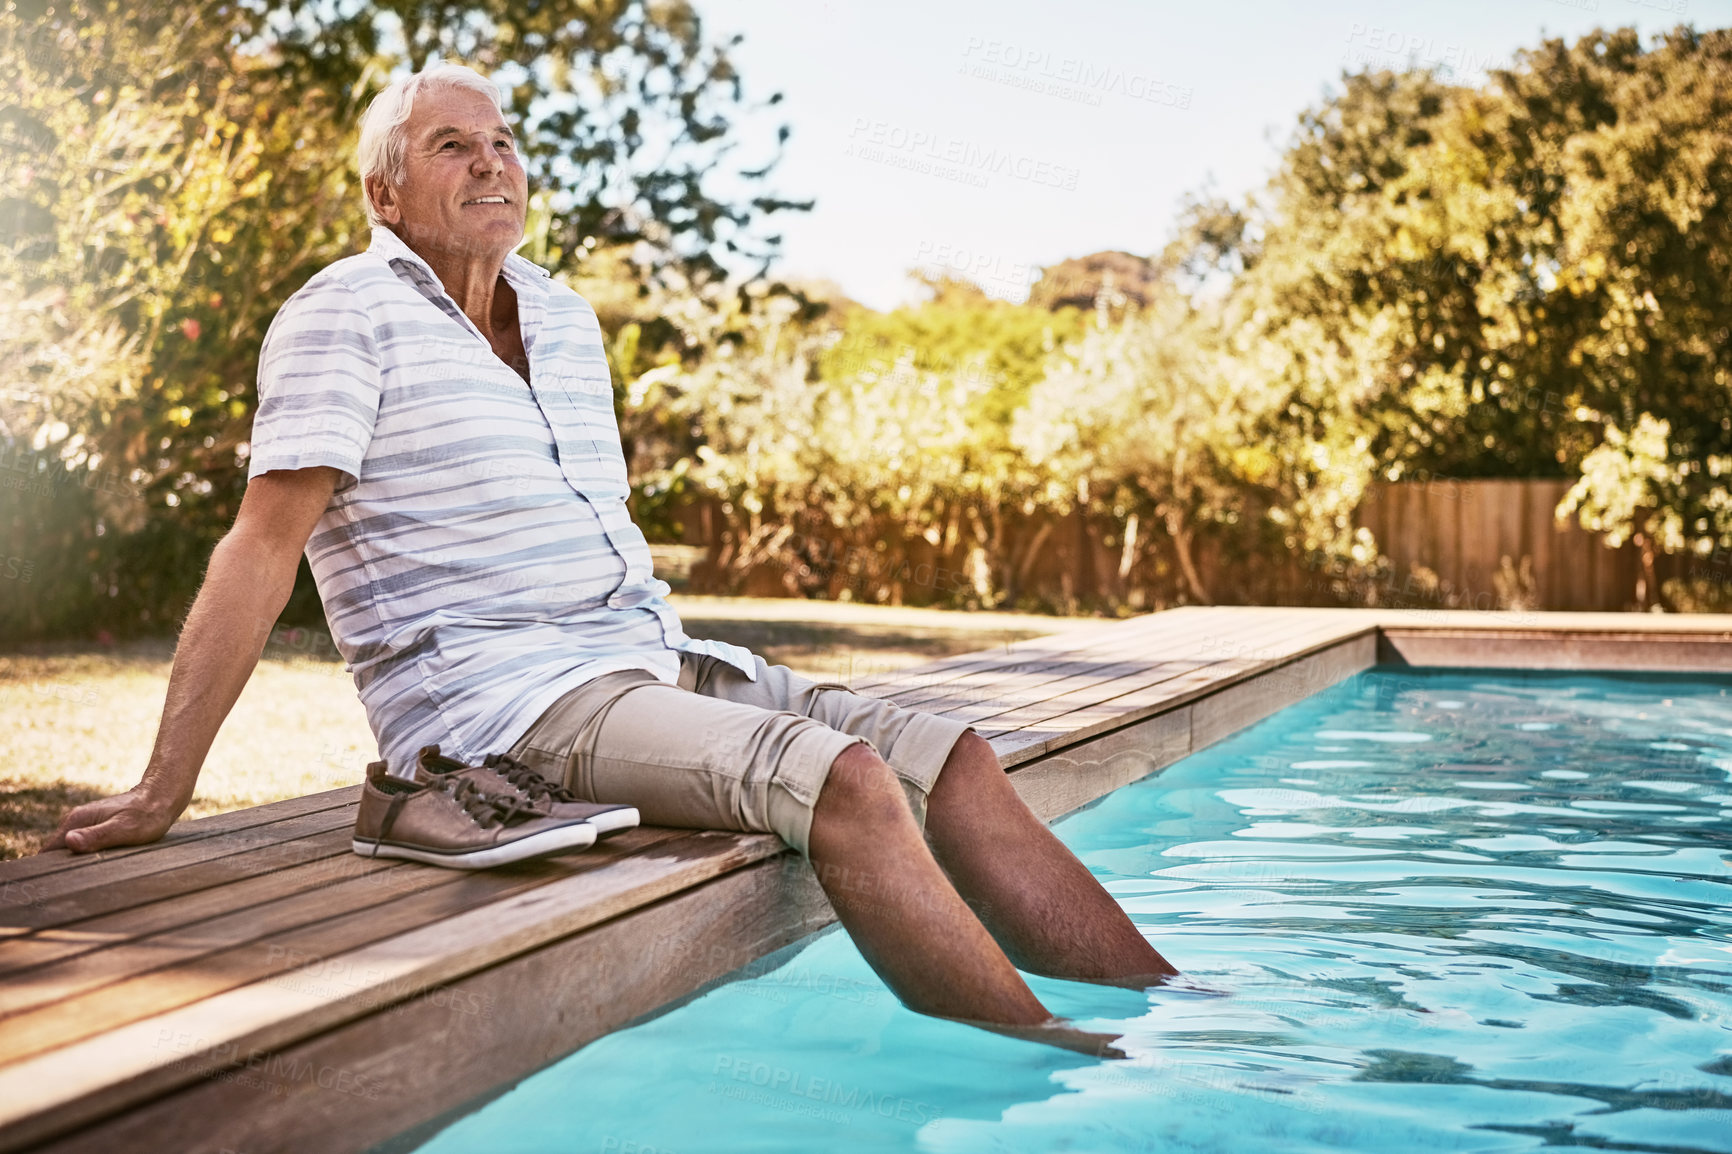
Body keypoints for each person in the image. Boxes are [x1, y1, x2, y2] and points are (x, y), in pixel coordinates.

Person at [44, 63, 1174, 1029]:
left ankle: (1169, 1021)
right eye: (452, 146)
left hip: (646, 658)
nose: (492, 164)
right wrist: (164, 782)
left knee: (959, 757)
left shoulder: (565, 317)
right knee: (851, 781)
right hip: (499, 703)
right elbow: (262, 543)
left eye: (502, 142)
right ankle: (1060, 1072)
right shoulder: (344, 311)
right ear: (385, 192)